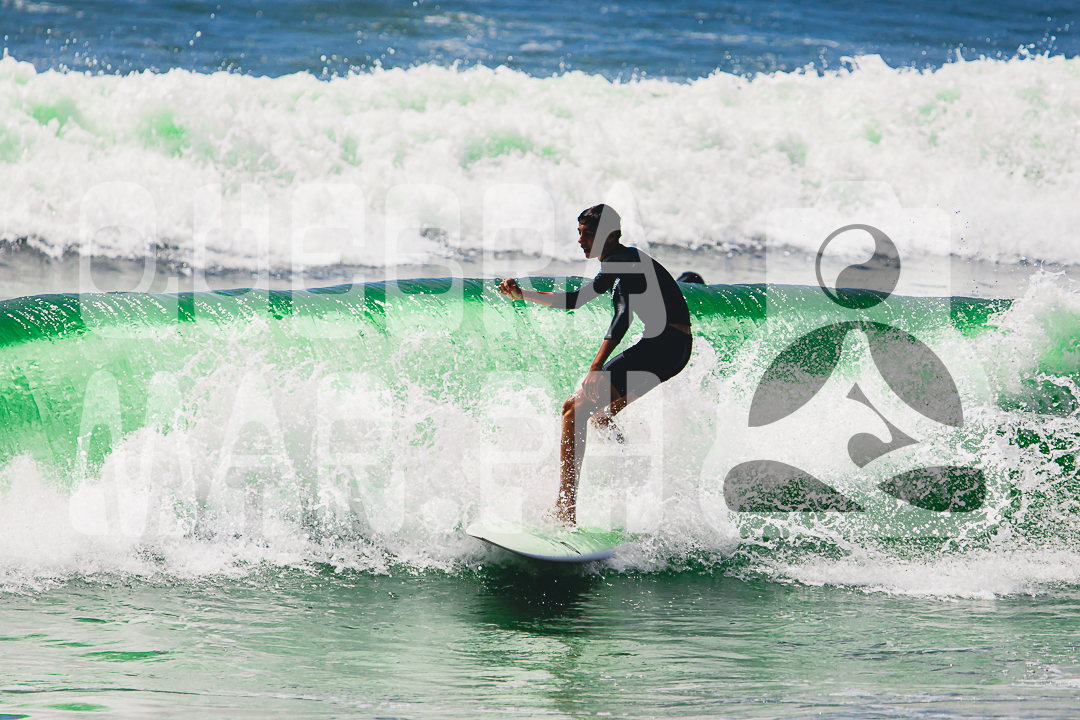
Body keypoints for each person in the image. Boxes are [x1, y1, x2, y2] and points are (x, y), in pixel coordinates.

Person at [498, 204, 693, 526]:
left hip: (662, 347)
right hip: (676, 351)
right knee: (601, 417)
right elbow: (577, 300)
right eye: (579, 233)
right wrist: (523, 295)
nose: (581, 240)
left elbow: (623, 316)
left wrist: (597, 366)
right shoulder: (623, 262)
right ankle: (639, 484)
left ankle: (565, 511)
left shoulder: (623, 261)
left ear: (612, 236)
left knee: (573, 410)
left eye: (588, 234)